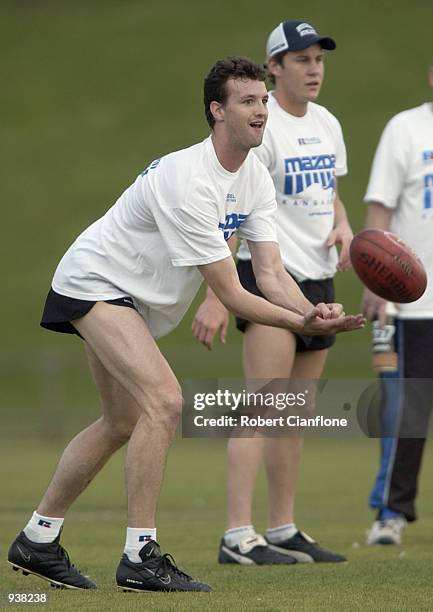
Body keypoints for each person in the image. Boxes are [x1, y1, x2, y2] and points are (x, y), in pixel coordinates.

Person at [7, 56, 364, 593]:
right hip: (94, 283)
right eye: (248, 101)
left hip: (131, 299)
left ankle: (37, 539)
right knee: (166, 401)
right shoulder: (191, 180)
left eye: (263, 100)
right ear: (217, 112)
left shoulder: (253, 178)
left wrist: (310, 314)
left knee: (120, 422)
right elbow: (232, 294)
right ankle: (140, 557)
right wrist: (300, 317)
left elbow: (269, 271)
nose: (261, 110)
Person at [192, 21, 354, 564]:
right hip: (268, 279)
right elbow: (241, 207)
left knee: (294, 414)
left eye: (319, 60)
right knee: (262, 407)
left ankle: (283, 527)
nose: (314, 69)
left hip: (318, 279)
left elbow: (329, 190)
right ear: (275, 68)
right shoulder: (263, 126)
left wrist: (344, 227)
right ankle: (237, 534)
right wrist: (219, 295)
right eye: (301, 60)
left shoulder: (327, 123)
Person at [363, 63, 433, 546]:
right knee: (406, 411)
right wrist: (376, 287)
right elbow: (379, 211)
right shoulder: (405, 129)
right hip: (413, 306)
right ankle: (390, 513)